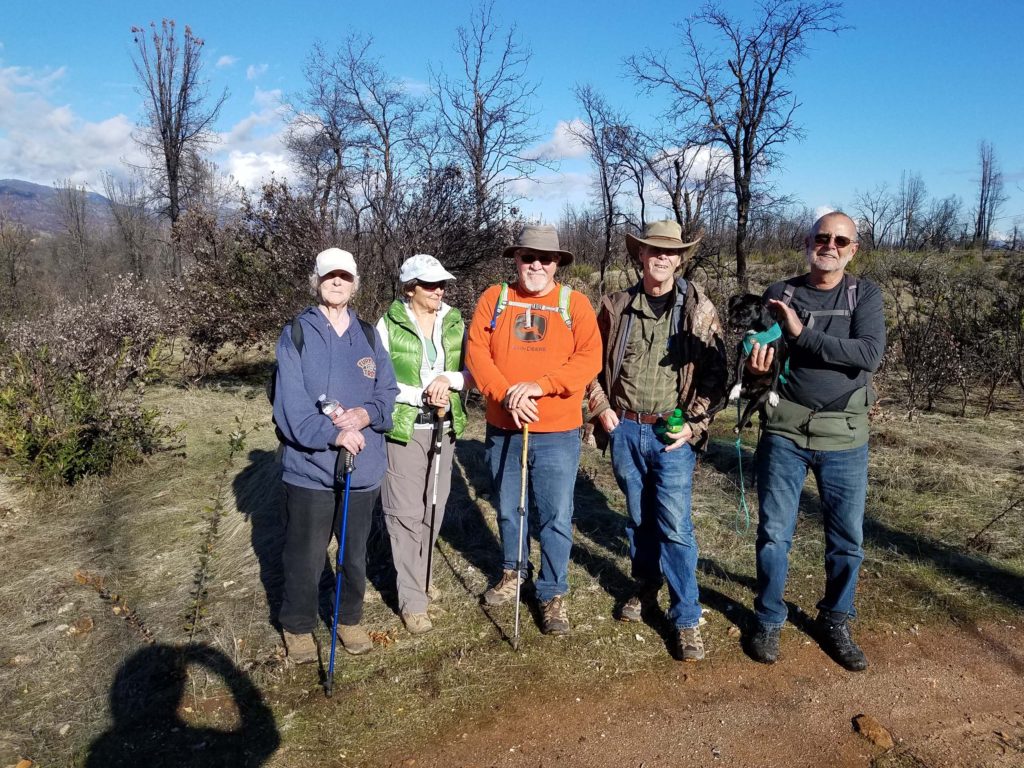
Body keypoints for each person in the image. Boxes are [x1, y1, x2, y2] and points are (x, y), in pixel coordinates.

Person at [745, 211, 885, 671]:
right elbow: (760, 356)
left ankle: (836, 619)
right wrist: (756, 367)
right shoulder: (779, 294)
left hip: (845, 436)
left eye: (840, 241)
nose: (830, 246)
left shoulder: (863, 294)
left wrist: (802, 333)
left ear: (853, 249)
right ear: (807, 242)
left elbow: (867, 355)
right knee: (773, 535)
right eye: (822, 237)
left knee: (846, 539)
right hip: (784, 431)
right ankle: (768, 617)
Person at [588, 220, 728, 662]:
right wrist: (600, 408)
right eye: (653, 250)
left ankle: (686, 618)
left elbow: (717, 374)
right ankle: (647, 587)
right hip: (625, 429)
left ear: (680, 258)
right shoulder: (615, 306)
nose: (661, 258)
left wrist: (693, 423)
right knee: (637, 520)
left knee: (676, 526)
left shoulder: (698, 309)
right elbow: (587, 364)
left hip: (672, 434)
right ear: (641, 255)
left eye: (670, 252)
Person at [465, 224, 602, 635]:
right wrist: (508, 393)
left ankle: (552, 591)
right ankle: (513, 572)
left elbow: (588, 359)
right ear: (516, 259)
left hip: (558, 430)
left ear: (557, 262)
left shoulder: (574, 304)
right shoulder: (496, 298)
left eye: (545, 258)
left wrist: (539, 387)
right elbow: (477, 352)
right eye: (528, 257)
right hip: (504, 425)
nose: (536, 265)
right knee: (509, 506)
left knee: (556, 514)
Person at [272, 247, 398, 662]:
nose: (337, 282)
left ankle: (348, 619)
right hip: (309, 469)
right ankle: (298, 627)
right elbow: (289, 407)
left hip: (362, 469)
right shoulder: (296, 334)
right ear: (317, 281)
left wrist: (365, 415)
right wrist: (334, 435)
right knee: (305, 554)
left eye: (345, 276)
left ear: (355, 283)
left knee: (354, 552)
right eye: (330, 277)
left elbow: (387, 393)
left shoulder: (367, 333)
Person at [376, 254, 472, 636]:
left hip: (444, 427)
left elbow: (472, 370)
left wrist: (449, 381)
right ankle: (412, 601)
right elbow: (382, 382)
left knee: (436, 504)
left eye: (442, 283)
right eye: (430, 284)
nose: (439, 290)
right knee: (404, 514)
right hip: (404, 429)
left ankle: (421, 575)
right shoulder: (387, 325)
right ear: (409, 288)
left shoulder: (454, 322)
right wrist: (421, 396)